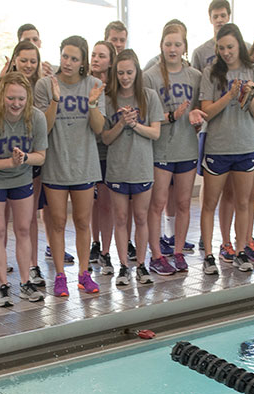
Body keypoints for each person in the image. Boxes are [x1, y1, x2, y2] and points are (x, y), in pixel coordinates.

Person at [33, 35, 106, 297]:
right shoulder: (45, 84)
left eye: (74, 58)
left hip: (84, 164)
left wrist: (93, 103)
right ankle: (61, 275)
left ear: (83, 62)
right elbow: (45, 128)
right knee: (57, 222)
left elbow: (99, 129)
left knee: (83, 221)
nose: (68, 62)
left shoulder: (94, 84)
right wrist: (54, 99)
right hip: (56, 164)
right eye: (65, 56)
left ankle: (84, 274)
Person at [0, 73, 48, 305]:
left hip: (21, 178)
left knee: (23, 229)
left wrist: (24, 158)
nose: (16, 104)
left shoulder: (36, 118)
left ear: (28, 98)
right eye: (11, 98)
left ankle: (25, 282)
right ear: (1, 96)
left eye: (21, 99)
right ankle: (3, 284)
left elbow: (41, 157)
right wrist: (10, 162)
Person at [198, 23, 254, 274]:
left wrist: (247, 95)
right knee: (210, 204)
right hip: (218, 147)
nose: (226, 52)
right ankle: (208, 255)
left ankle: (240, 251)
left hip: (246, 145)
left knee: (243, 202)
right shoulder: (211, 73)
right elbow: (206, 113)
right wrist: (229, 95)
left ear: (240, 45)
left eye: (231, 47)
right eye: (222, 47)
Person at [143, 21, 203, 275]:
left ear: (184, 47)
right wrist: (172, 115)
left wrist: (197, 120)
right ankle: (156, 254)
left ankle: (178, 251)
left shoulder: (195, 77)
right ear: (162, 46)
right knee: (157, 204)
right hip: (161, 151)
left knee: (183, 204)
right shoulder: (151, 76)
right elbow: (147, 116)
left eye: (177, 44)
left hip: (187, 148)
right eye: (168, 44)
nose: (173, 48)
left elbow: (201, 110)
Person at [102, 48, 162, 286]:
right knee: (120, 218)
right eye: (120, 73)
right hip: (118, 168)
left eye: (129, 72)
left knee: (141, 217)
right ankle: (123, 267)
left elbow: (155, 133)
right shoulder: (109, 100)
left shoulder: (149, 97)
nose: (125, 77)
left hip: (141, 167)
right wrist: (121, 124)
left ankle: (141, 265)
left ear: (137, 72)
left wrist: (134, 124)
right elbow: (105, 138)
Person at [2, 39, 49, 289]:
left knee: (29, 216)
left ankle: (32, 264)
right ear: (14, 61)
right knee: (2, 218)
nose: (28, 65)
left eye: (33, 61)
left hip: (31, 159)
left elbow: (44, 124)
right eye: (24, 60)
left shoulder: (42, 86)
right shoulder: (1, 87)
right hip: (3, 162)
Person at [89, 40, 116, 276]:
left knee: (106, 204)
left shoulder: (115, 88)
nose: (96, 59)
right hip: (87, 151)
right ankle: (94, 243)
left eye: (101, 56)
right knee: (91, 204)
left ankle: (106, 252)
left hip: (108, 151)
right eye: (93, 55)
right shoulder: (85, 85)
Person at [191, 0, 231, 73]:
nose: (219, 20)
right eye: (215, 17)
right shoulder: (199, 53)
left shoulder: (245, 48)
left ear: (228, 17)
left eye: (223, 16)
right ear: (210, 19)